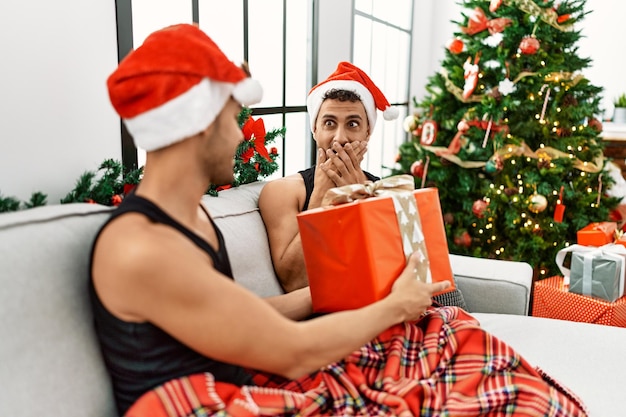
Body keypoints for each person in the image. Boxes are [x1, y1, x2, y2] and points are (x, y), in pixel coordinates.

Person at [91, 23, 586, 417]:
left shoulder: (190, 220)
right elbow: (292, 353)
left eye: (354, 124)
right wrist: (391, 306)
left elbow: (250, 315)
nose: (241, 135)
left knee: (449, 335)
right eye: (231, 116)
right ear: (196, 122)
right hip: (210, 401)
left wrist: (363, 290)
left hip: (245, 371)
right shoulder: (142, 248)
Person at [259, 61, 398, 292]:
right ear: (315, 130)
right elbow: (295, 282)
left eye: (353, 124)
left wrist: (360, 205)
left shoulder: (387, 193)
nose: (339, 138)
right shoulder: (282, 192)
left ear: (368, 133)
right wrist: (322, 198)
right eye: (329, 123)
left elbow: (395, 277)